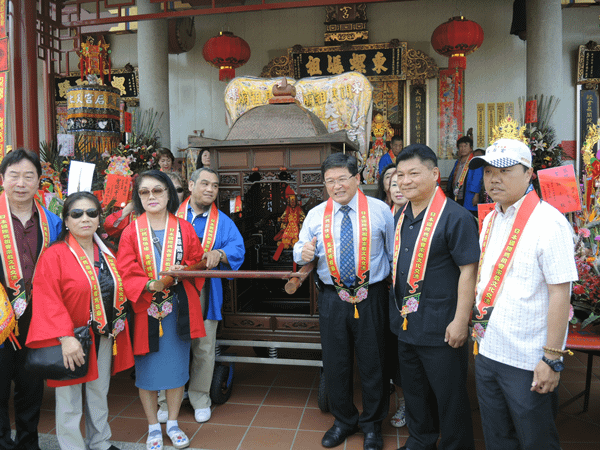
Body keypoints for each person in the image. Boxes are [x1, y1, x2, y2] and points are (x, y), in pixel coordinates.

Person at [469, 139, 578, 450]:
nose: (494, 178)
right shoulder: (491, 218)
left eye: (505, 170)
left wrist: (551, 358)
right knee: (497, 437)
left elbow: (561, 294)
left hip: (527, 359)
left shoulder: (549, 222)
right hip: (489, 350)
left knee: (535, 441)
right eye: (488, 171)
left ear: (530, 173)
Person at [294, 153, 394, 450]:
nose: (336, 186)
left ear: (357, 178)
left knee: (373, 361)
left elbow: (392, 253)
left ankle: (373, 425)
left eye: (342, 179)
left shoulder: (380, 211)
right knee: (335, 362)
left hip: (371, 296)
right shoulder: (315, 215)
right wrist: (304, 253)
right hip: (332, 296)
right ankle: (343, 421)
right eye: (330, 181)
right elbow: (300, 248)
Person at [26, 192, 134, 450]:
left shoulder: (109, 253)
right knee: (69, 398)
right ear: (66, 220)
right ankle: (72, 446)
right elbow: (47, 298)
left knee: (99, 393)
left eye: (91, 213)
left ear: (99, 218)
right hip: (71, 338)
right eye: (76, 214)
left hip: (104, 335)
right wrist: (65, 337)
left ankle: (100, 442)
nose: (85, 218)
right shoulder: (55, 255)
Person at [392, 144, 478, 450]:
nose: (405, 181)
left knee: (450, 395)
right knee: (414, 391)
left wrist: (459, 321)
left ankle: (456, 446)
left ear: (434, 174)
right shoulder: (401, 215)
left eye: (414, 173)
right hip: (406, 323)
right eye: (400, 175)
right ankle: (421, 440)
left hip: (442, 325)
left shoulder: (455, 217)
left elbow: (469, 272)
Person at [117, 170, 206, 450]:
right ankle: (153, 426)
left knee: (177, 369)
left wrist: (186, 271)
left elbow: (198, 262)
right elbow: (124, 270)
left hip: (177, 308)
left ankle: (173, 423)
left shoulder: (184, 228)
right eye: (144, 192)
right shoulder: (131, 230)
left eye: (158, 190)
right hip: (145, 309)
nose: (151, 196)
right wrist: (147, 284)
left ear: (169, 194)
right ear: (138, 197)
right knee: (147, 372)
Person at [157, 168, 245, 424]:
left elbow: (237, 247)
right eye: (205, 184)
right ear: (191, 184)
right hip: (170, 290)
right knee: (170, 345)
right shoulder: (169, 214)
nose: (210, 190)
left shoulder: (222, 221)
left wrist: (220, 253)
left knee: (204, 346)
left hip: (205, 289)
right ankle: (164, 400)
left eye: (215, 186)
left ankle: (200, 398)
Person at [0, 149, 62, 450]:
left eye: (29, 176)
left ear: (40, 181)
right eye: (14, 175)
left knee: (30, 385)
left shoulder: (52, 222)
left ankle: (28, 443)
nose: (21, 183)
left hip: (36, 317)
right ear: (3, 179)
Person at [445, 136, 483, 217]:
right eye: (460, 146)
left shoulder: (475, 161)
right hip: (457, 194)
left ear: (471, 148)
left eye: (465, 146)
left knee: (468, 215)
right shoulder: (458, 161)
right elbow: (452, 176)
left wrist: (476, 195)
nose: (463, 148)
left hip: (469, 194)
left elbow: (478, 178)